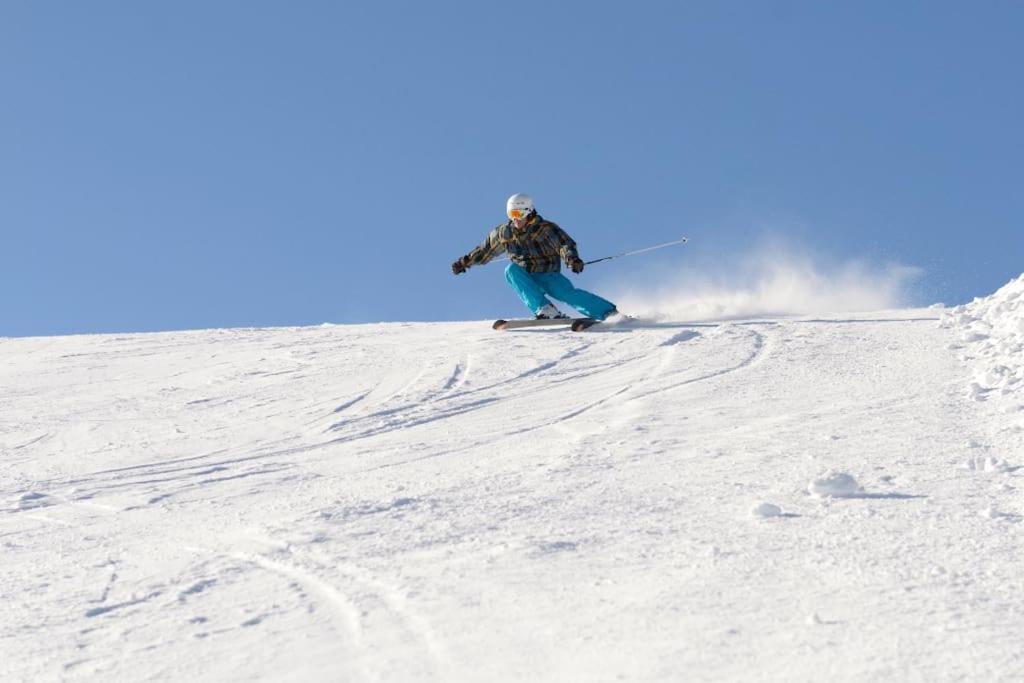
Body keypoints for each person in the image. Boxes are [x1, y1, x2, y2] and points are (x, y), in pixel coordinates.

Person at [451, 193, 618, 320]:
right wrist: (464, 262)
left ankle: (607, 312)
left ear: (528, 211)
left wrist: (572, 260)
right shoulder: (504, 232)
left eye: (517, 213)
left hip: (548, 273)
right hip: (525, 274)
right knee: (511, 270)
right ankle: (545, 309)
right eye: (511, 214)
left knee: (566, 294)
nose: (514, 219)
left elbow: (564, 245)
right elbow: (484, 251)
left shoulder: (545, 228)